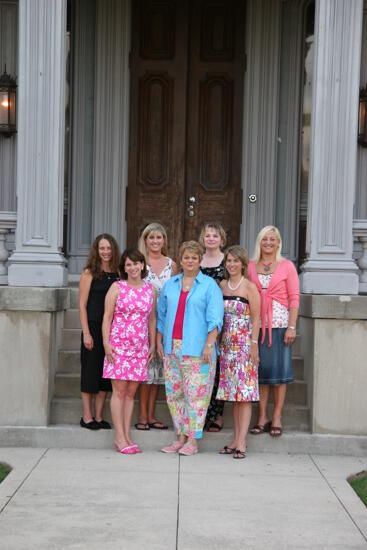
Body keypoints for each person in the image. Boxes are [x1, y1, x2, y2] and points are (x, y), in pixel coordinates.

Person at [157, 241, 224, 456]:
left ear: (199, 260)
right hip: (172, 347)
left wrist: (209, 345)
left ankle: (193, 441)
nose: (190, 261)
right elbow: (161, 316)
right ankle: (180, 437)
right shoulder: (171, 284)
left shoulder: (209, 286)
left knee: (196, 396)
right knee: (174, 394)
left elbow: (215, 319)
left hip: (198, 349)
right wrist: (159, 342)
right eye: (186, 257)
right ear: (181, 259)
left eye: (194, 258)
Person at [102, 249, 156, 454]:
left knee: (131, 393)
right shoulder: (117, 287)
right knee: (119, 391)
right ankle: (119, 437)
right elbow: (107, 317)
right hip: (118, 347)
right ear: (124, 269)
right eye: (128, 265)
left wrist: (151, 344)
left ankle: (127, 435)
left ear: (142, 265)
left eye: (136, 264)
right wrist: (106, 344)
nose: (132, 268)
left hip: (139, 348)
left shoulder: (150, 290)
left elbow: (151, 319)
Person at [248, 226, 300, 437]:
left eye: (272, 239)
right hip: (257, 327)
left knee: (280, 374)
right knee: (261, 373)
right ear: (259, 242)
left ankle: (277, 416)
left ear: (278, 243)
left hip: (280, 326)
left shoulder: (287, 266)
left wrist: (292, 326)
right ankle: (262, 416)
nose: (268, 242)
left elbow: (294, 298)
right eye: (264, 239)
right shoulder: (251, 266)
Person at [217, 246, 260, 459]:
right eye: (229, 261)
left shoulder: (250, 287)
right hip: (226, 347)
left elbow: (256, 318)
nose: (231, 264)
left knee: (244, 396)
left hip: (244, 346)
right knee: (234, 396)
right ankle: (235, 439)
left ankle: (242, 442)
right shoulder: (222, 285)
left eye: (235, 261)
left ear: (243, 263)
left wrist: (254, 345)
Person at [136, 223, 178, 431]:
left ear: (164, 240)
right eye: (151, 237)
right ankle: (142, 416)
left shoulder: (172, 264)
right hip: (143, 322)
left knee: (157, 373)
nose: (155, 241)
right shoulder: (139, 263)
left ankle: (152, 415)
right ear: (145, 240)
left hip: (164, 321)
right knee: (146, 372)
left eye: (159, 237)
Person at [79, 234, 120, 430]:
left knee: (106, 374)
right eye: (102, 248)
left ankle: (98, 415)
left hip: (114, 329)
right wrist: (86, 332)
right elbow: (82, 304)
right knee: (90, 371)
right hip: (94, 327)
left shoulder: (119, 273)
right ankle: (87, 416)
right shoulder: (89, 272)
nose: (106, 252)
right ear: (97, 250)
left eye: (109, 248)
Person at [199, 222, 227, 432]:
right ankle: (201, 412)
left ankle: (217, 415)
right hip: (198, 319)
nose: (210, 239)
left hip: (221, 318)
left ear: (221, 239)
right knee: (202, 367)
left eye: (214, 236)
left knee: (218, 368)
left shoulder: (227, 261)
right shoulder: (196, 259)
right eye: (207, 235)